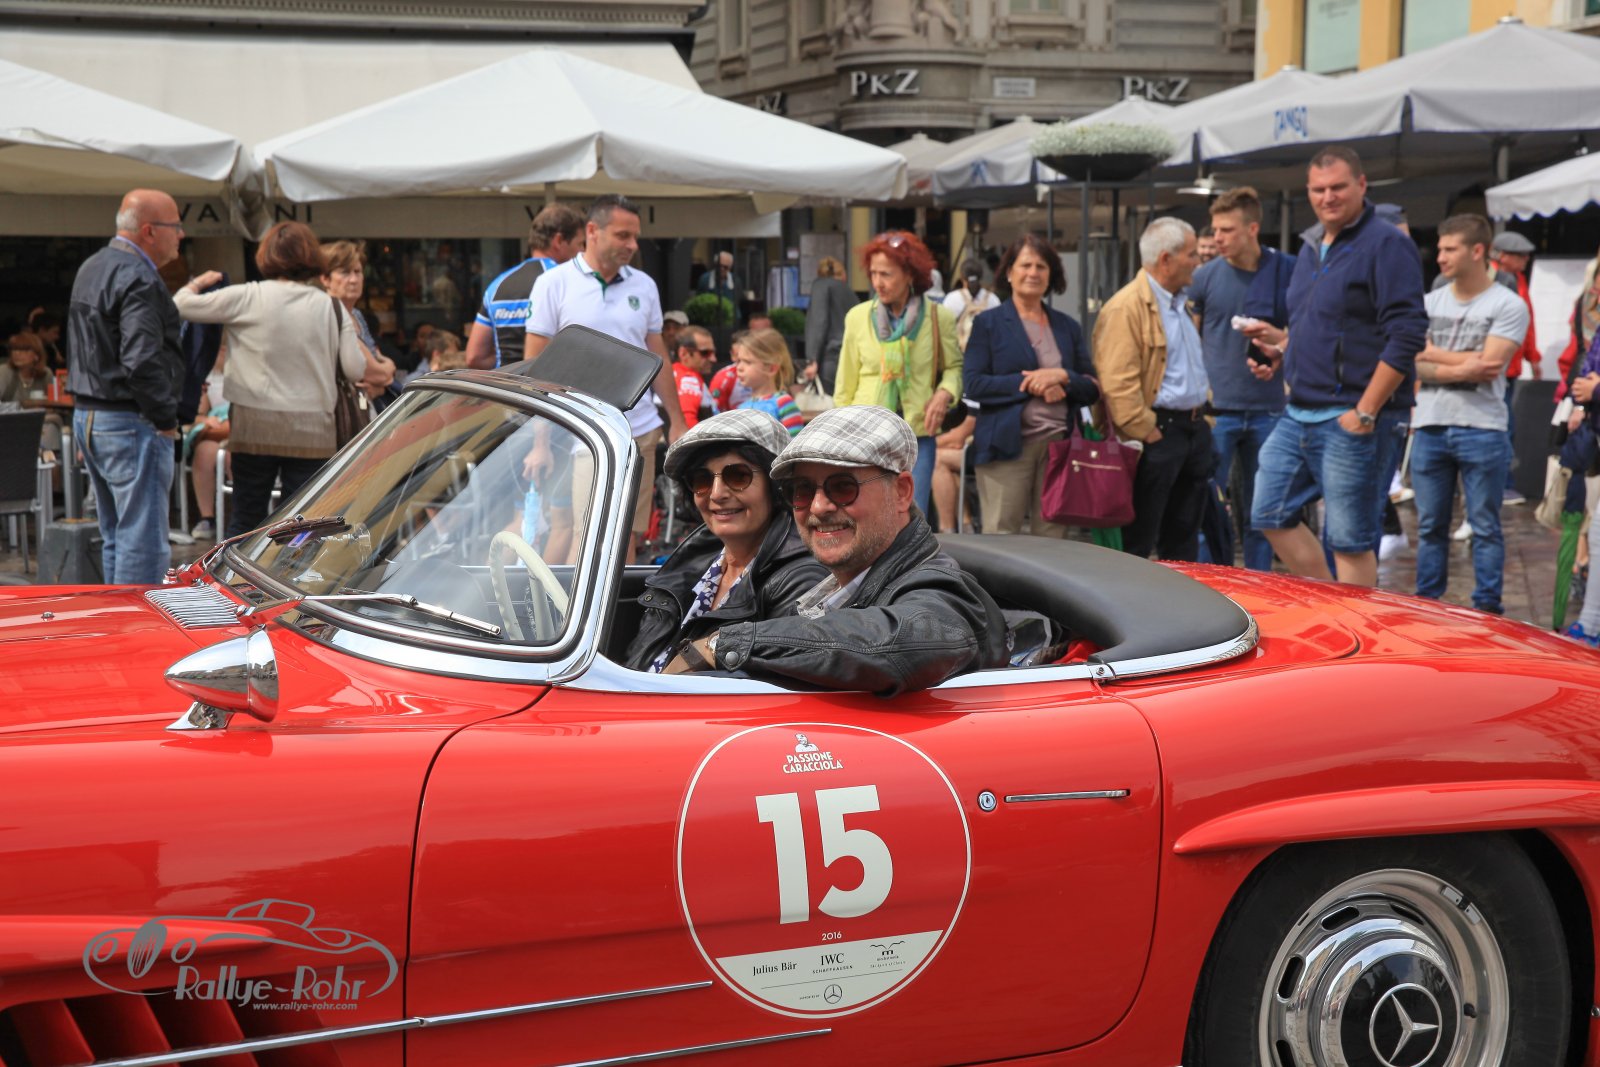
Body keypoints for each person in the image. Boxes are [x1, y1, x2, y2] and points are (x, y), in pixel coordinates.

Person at [663, 404, 1008, 696]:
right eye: (802, 490)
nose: (818, 506)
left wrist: (722, 644)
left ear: (902, 492)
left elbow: (915, 636)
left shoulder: (939, 585)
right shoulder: (830, 592)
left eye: (842, 487)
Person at [1241, 146, 1428, 587]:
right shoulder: (1310, 246)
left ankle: (1351, 627)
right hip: (1300, 412)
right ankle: (1331, 604)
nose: (1328, 197)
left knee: (1349, 540)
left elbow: (1407, 334)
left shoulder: (1387, 243)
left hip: (1355, 415)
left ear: (1361, 185)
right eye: (1318, 189)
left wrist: (1365, 411)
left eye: (1338, 187)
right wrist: (1284, 350)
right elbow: (1322, 323)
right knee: (1268, 513)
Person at [174, 221, 368, 538]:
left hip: (254, 426)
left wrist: (199, 282)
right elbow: (354, 369)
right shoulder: (331, 307)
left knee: (246, 518)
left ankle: (239, 569)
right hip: (313, 431)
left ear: (266, 255)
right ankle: (293, 569)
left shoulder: (248, 295)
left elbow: (181, 306)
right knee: (303, 525)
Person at [524, 194, 689, 563]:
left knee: (627, 536)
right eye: (623, 235)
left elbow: (658, 357)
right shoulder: (553, 283)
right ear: (592, 231)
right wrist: (540, 441)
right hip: (579, 430)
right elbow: (536, 367)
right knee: (589, 538)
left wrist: (677, 421)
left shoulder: (644, 284)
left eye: (635, 236)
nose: (633, 245)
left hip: (638, 431)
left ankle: (620, 604)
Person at [623, 409, 826, 672]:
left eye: (738, 476)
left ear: (777, 485)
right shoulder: (693, 560)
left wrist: (703, 653)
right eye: (702, 480)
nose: (717, 494)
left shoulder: (802, 580)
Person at [1409, 214, 1528, 616]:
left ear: (1477, 251)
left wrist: (1433, 356)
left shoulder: (1507, 304)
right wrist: (1462, 365)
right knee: (1430, 527)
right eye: (1440, 248)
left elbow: (1490, 365)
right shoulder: (1428, 302)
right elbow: (1413, 359)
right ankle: (1426, 608)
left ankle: (1488, 612)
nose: (1440, 257)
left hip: (1483, 427)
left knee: (1485, 526)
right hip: (1430, 425)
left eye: (1450, 249)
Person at [66, 188, 186, 584]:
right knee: (142, 543)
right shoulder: (137, 276)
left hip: (92, 415)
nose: (181, 234)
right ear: (149, 231)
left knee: (118, 536)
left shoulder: (94, 265)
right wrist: (165, 419)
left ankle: (121, 616)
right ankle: (136, 622)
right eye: (175, 226)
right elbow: (141, 360)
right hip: (129, 419)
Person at [1092, 217, 1213, 561]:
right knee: (1138, 544)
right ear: (1166, 260)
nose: (1198, 261)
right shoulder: (1126, 307)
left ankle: (1180, 599)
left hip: (1191, 430)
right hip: (1157, 434)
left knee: (1183, 543)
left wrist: (1205, 420)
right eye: (1191, 254)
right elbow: (1117, 383)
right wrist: (1149, 432)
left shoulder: (1179, 302)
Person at [964, 233, 1100, 537]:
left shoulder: (1067, 326)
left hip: (1060, 447)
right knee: (1002, 538)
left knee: (1053, 542)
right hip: (1006, 447)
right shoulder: (988, 324)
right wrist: (1030, 382)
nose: (1033, 273)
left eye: (1041, 266)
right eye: (1025, 265)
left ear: (1051, 275)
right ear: (1009, 272)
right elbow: (974, 384)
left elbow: (1091, 387)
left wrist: (1062, 377)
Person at [1188, 186, 1291, 571]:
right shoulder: (1205, 277)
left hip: (1269, 408)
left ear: (1252, 229)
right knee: (1206, 506)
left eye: (1227, 230)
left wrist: (1280, 347)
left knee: (1261, 513)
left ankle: (1258, 586)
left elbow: (1304, 328)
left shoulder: (1286, 270)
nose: (1217, 238)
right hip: (1218, 410)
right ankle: (1208, 584)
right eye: (1215, 229)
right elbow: (1190, 337)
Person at [833, 230, 963, 516]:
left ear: (909, 274)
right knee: (865, 514)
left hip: (918, 434)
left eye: (886, 274)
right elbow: (844, 385)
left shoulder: (938, 317)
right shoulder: (857, 317)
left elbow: (955, 368)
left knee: (913, 513)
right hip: (865, 435)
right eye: (873, 273)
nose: (877, 282)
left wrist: (944, 393)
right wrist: (844, 435)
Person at [466, 203, 584, 370]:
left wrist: (508, 363)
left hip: (504, 383)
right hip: (552, 383)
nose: (582, 253)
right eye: (580, 244)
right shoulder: (567, 282)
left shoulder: (497, 285)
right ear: (559, 241)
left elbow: (474, 357)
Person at [1490, 230, 1540, 506]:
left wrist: (1533, 356)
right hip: (1496, 367)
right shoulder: (1495, 278)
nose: (1525, 260)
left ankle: (1502, 484)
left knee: (1506, 425)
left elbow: (1526, 321)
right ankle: (1499, 485)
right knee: (1500, 426)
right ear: (1503, 256)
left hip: (1511, 367)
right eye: (1520, 255)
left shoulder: (1517, 279)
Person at [320, 240, 398, 405]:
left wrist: (380, 386)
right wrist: (390, 366)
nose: (353, 280)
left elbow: (376, 365)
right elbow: (378, 373)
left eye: (358, 271)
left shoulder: (356, 315)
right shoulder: (327, 313)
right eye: (345, 272)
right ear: (325, 279)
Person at [733, 327, 804, 436]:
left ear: (771, 369)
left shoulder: (784, 404)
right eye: (739, 361)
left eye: (747, 362)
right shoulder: (741, 408)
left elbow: (795, 444)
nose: (739, 367)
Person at [804, 255, 857, 392]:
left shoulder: (820, 286)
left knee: (828, 403)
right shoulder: (850, 292)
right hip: (852, 358)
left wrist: (812, 359)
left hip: (830, 358)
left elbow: (819, 321)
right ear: (843, 274)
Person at [943, 259, 1001, 350]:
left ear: (962, 277)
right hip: (986, 353)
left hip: (960, 354)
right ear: (981, 276)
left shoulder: (952, 299)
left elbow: (945, 331)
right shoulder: (993, 299)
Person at [671, 325, 718, 428]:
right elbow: (687, 423)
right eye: (705, 353)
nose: (713, 359)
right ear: (684, 353)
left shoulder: (671, 373)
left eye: (713, 352)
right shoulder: (689, 379)